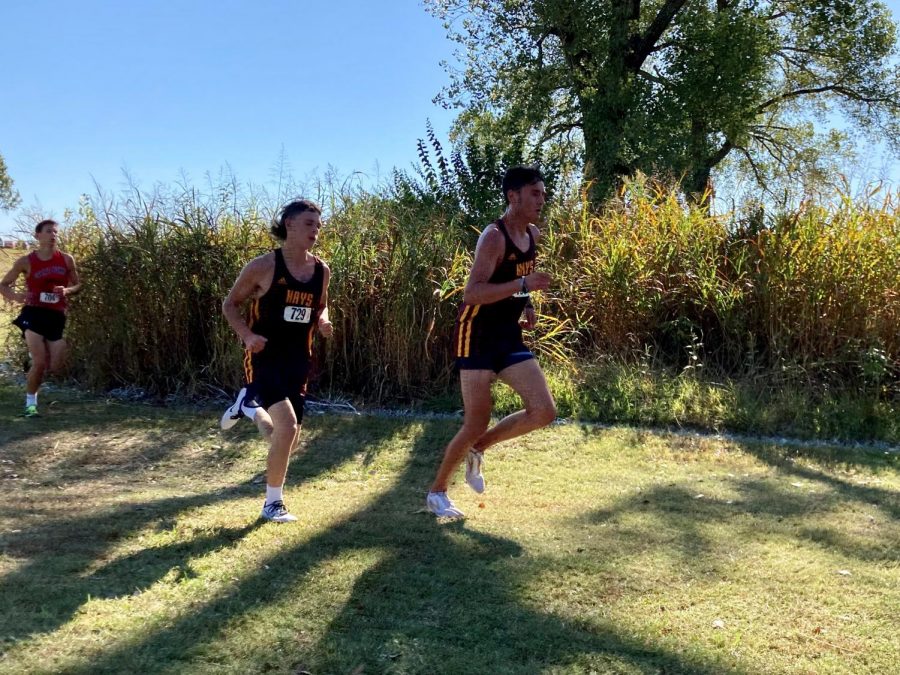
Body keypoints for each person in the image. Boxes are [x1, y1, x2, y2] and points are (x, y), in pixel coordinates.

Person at [426, 166, 557, 517]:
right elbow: (473, 293)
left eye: (543, 193)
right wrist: (524, 288)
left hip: (508, 335)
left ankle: (479, 449)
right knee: (476, 420)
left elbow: (517, 279)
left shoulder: (532, 235)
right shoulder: (494, 236)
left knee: (544, 411)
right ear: (512, 197)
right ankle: (437, 492)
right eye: (535, 193)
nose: (542, 200)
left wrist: (526, 303)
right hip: (477, 336)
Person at [221, 199, 333, 523]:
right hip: (264, 356)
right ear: (290, 225)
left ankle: (248, 407)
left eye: (319, 224)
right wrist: (247, 336)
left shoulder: (321, 271)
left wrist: (323, 321)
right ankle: (273, 504)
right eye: (309, 223)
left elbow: (321, 305)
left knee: (284, 437)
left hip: (299, 361)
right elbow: (230, 304)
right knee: (288, 426)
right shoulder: (263, 266)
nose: (316, 229)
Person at [0, 219, 81, 417]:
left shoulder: (66, 259)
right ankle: (30, 406)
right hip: (33, 313)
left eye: (55, 232)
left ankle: (32, 366)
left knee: (55, 366)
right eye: (48, 231)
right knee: (40, 362)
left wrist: (67, 290)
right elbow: (3, 284)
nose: (53, 235)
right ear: (38, 235)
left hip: (56, 315)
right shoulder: (26, 261)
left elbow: (78, 286)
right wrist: (16, 296)